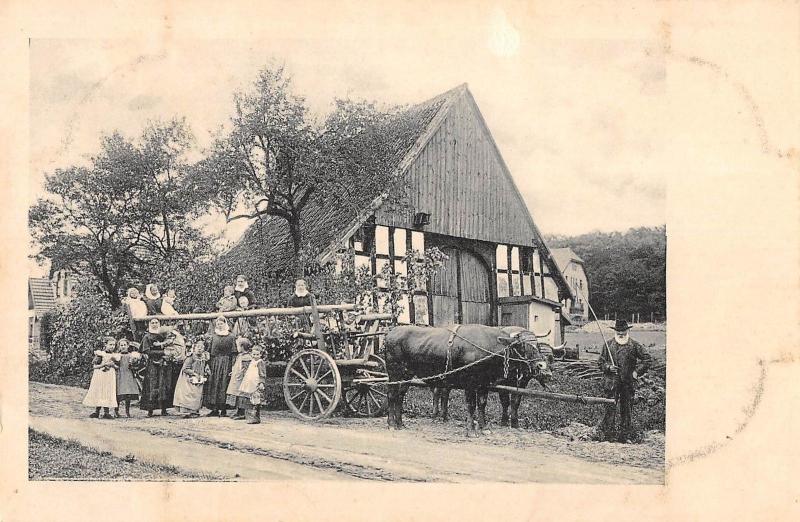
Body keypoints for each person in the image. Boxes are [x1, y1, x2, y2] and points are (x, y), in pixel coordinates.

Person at [598, 319, 652, 442]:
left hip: (628, 383)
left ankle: (625, 436)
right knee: (610, 408)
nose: (621, 333)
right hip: (611, 383)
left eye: (623, 331)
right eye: (618, 331)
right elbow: (600, 362)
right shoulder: (608, 345)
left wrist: (637, 372)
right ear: (615, 331)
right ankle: (608, 435)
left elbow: (647, 360)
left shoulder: (634, 345)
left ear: (628, 330)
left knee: (626, 409)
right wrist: (608, 367)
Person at [202, 316, 237, 417]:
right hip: (215, 363)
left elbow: (234, 353)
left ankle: (224, 410)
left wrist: (233, 366)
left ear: (225, 324)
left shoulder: (231, 336)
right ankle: (214, 409)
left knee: (224, 385)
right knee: (214, 385)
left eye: (221, 324)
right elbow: (209, 352)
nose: (219, 326)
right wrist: (207, 364)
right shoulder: (213, 336)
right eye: (218, 324)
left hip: (226, 363)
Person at [139, 318, 173, 417]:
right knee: (152, 384)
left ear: (159, 324)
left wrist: (168, 353)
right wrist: (163, 352)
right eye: (152, 323)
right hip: (153, 364)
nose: (154, 324)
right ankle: (150, 410)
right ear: (149, 324)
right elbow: (147, 351)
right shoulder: (147, 337)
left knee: (164, 384)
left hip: (164, 363)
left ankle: (164, 409)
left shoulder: (164, 335)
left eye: (156, 322)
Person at [82, 337, 120, 419]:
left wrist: (113, 365)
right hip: (100, 376)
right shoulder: (100, 354)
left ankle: (106, 412)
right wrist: (103, 365)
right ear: (105, 345)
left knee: (107, 391)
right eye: (110, 344)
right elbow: (95, 366)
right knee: (100, 391)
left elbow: (118, 367)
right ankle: (97, 411)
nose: (112, 346)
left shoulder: (115, 356)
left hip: (110, 376)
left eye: (113, 345)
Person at [173, 338, 211, 417]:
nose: (200, 349)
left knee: (197, 394)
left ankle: (195, 411)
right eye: (198, 347)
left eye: (202, 348)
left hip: (198, 379)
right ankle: (187, 411)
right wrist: (194, 373)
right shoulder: (190, 357)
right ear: (194, 348)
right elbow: (185, 369)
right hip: (189, 379)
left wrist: (206, 369)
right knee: (189, 394)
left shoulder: (204, 357)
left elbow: (204, 365)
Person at [239, 344, 267, 424]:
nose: (255, 356)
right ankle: (253, 417)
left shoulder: (260, 362)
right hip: (251, 383)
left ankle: (255, 417)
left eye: (257, 354)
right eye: (254, 354)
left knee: (256, 399)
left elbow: (262, 373)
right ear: (251, 354)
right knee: (251, 399)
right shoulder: (252, 361)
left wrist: (261, 382)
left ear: (260, 354)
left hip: (256, 383)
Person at [226, 337, 253, 420]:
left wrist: (245, 379)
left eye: (237, 346)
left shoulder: (246, 358)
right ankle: (238, 411)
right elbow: (238, 366)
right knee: (237, 395)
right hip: (237, 379)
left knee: (242, 396)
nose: (236, 348)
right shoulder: (240, 356)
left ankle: (242, 412)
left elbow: (246, 370)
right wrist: (233, 371)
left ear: (242, 347)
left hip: (242, 380)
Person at [114, 338, 140, 418]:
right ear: (119, 346)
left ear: (128, 346)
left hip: (128, 375)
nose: (123, 347)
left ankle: (127, 411)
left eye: (124, 345)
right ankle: (116, 411)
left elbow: (136, 366)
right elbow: (115, 365)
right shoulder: (117, 355)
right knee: (118, 394)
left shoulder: (131, 355)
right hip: (120, 375)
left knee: (128, 394)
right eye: (121, 345)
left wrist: (133, 364)